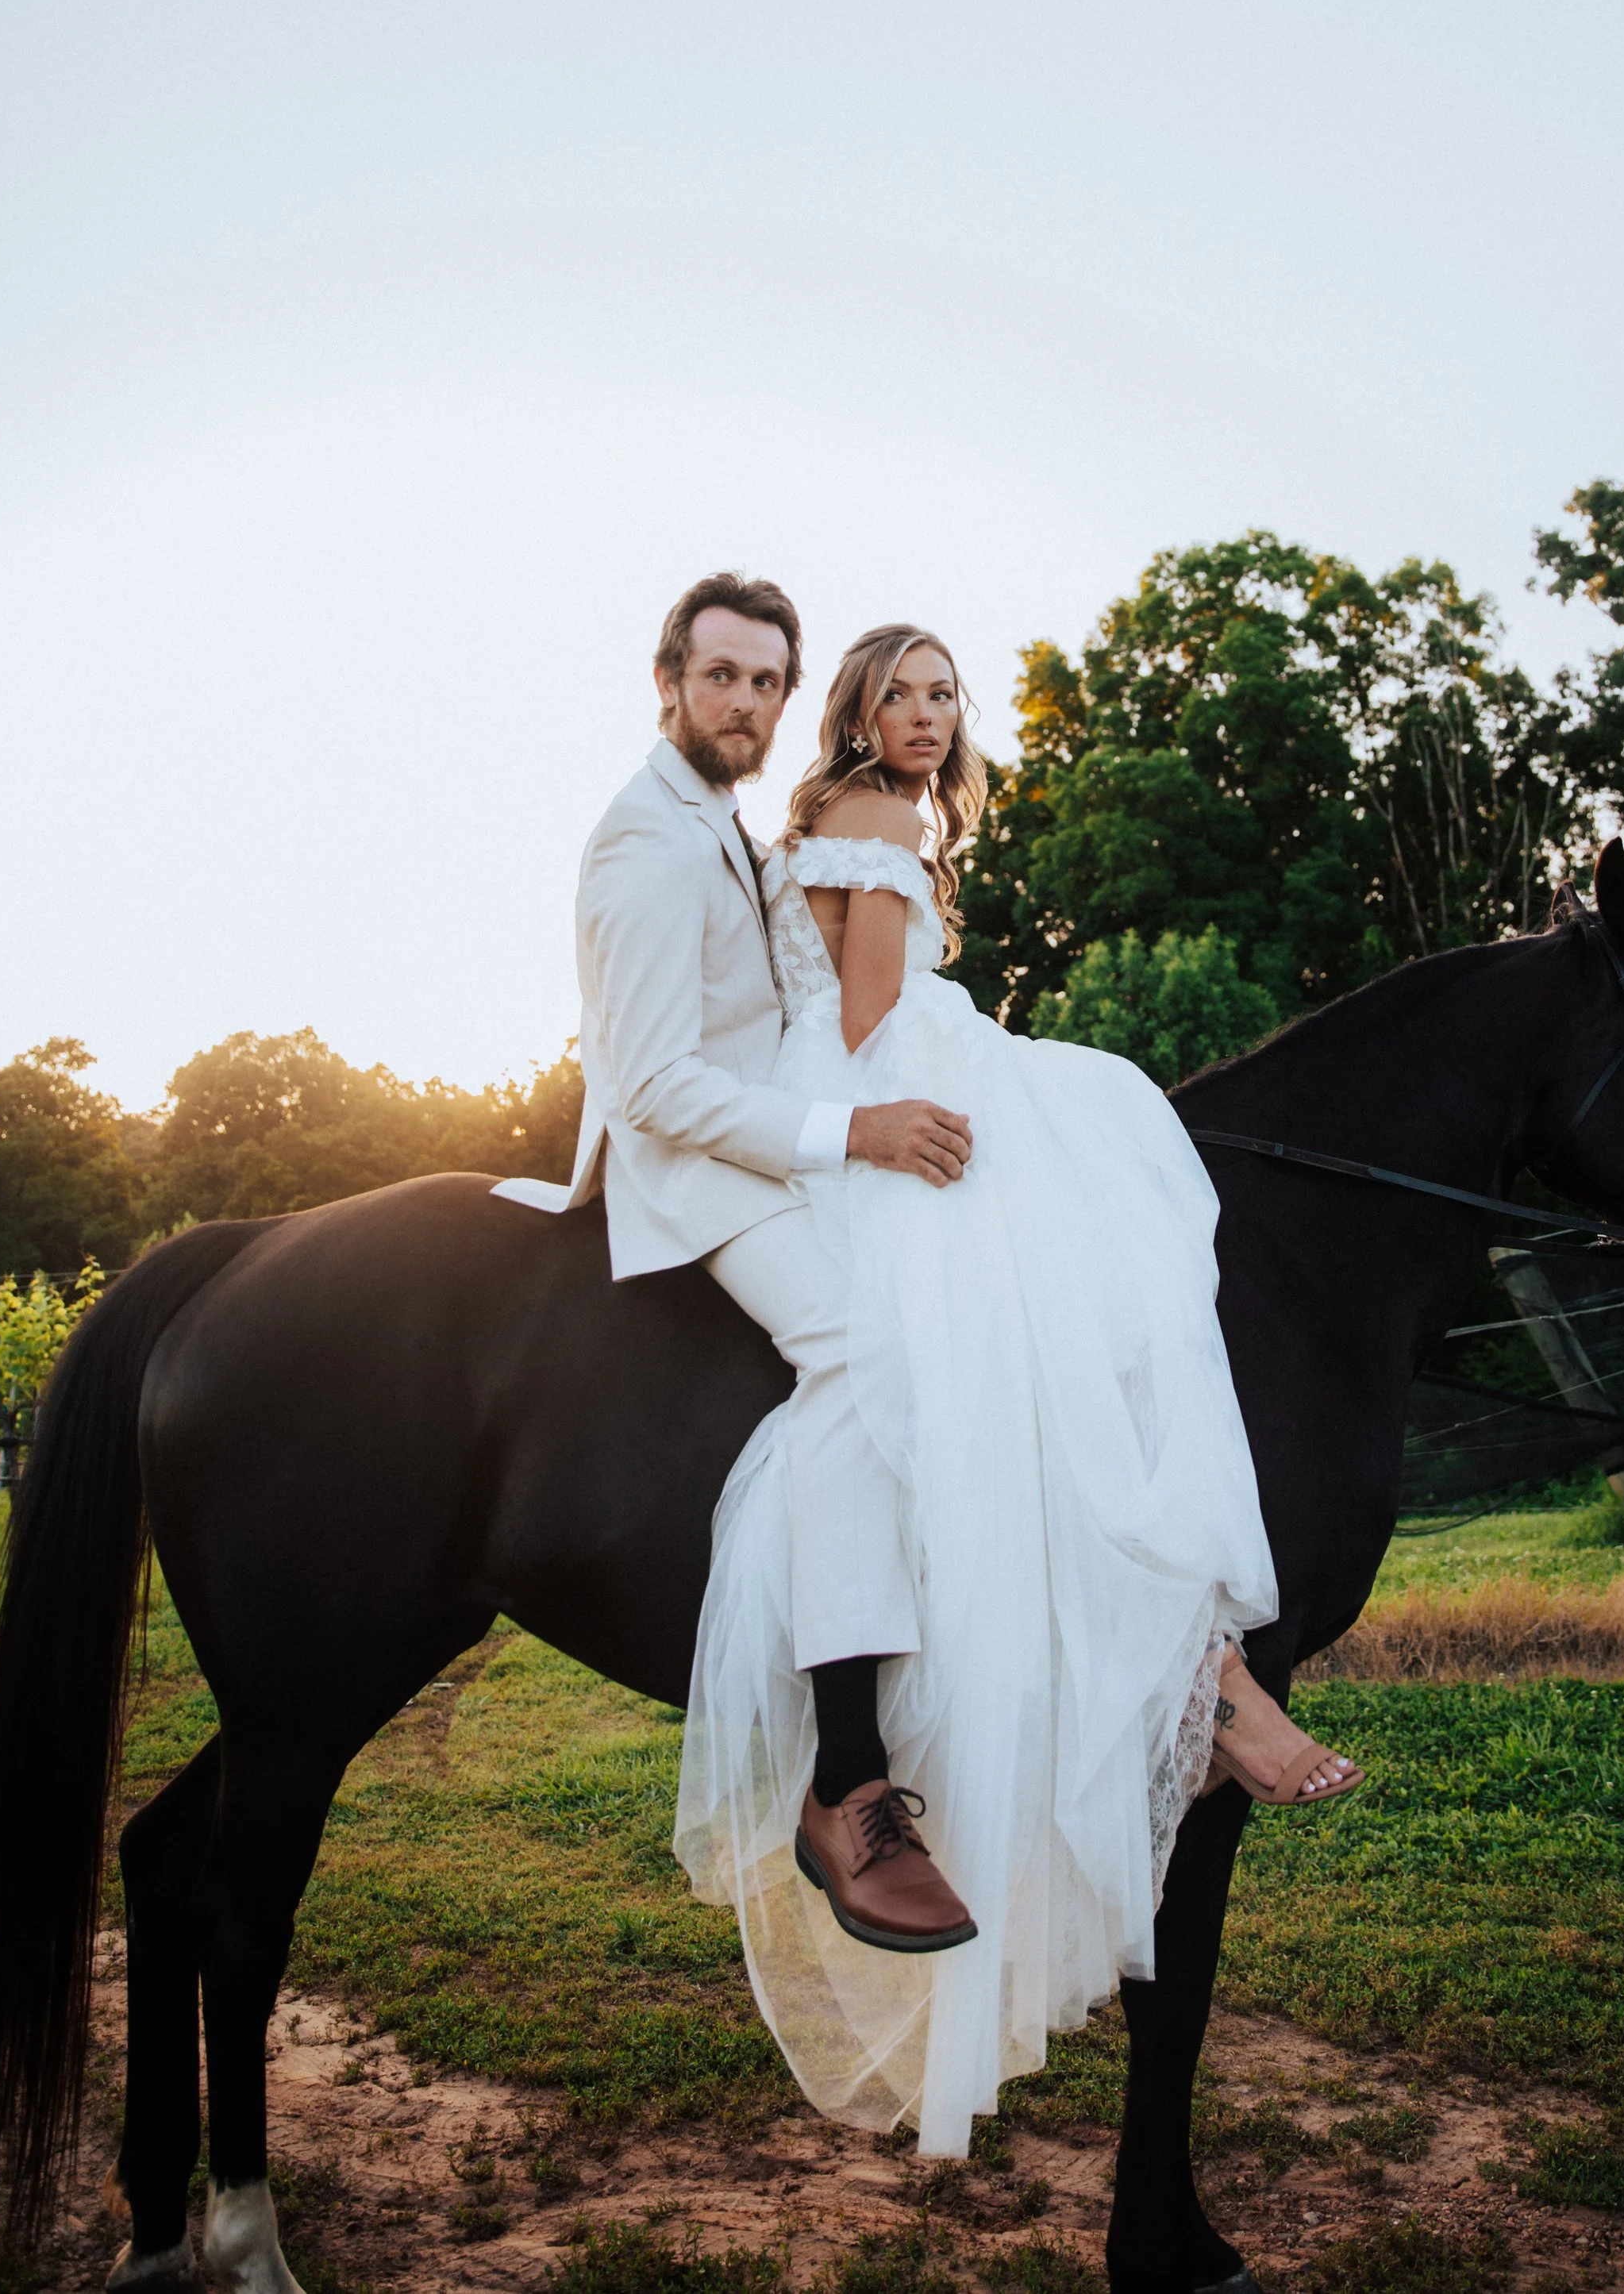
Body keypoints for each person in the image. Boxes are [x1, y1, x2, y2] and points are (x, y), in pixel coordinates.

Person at [672, 622, 1362, 2161]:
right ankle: (1209, 1678)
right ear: (856, 713)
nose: (923, 719)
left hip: (880, 1069)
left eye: (941, 699)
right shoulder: (879, 819)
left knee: (1093, 1275)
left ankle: (1204, 1677)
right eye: (898, 696)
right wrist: (933, 1101)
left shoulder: (852, 821)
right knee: (1088, 1292)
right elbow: (858, 1028)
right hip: (866, 1104)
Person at [493, 572, 980, 1944]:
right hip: (704, 1181)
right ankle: (843, 1775)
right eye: (723, 678)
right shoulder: (646, 844)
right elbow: (652, 1088)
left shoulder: (722, 816)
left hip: (769, 1136)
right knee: (865, 1354)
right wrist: (855, 1133)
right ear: (670, 685)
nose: (747, 703)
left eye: (768, 681)